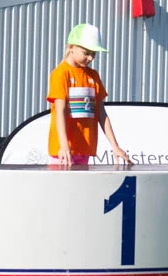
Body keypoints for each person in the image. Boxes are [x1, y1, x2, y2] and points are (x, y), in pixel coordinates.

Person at [47, 23, 131, 168]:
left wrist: (115, 146)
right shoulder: (61, 74)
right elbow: (60, 112)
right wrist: (64, 145)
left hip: (85, 149)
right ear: (71, 47)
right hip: (64, 152)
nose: (91, 58)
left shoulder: (93, 76)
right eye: (86, 53)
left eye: (94, 54)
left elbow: (101, 114)